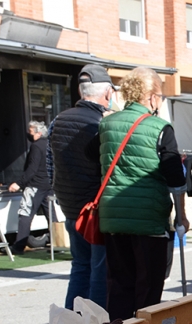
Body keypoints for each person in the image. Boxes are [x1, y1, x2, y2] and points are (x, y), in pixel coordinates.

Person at [98, 67, 189, 321]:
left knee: (118, 285)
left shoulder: (106, 124)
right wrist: (181, 217)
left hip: (114, 218)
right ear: (151, 97)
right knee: (148, 288)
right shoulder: (160, 128)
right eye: (159, 96)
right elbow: (176, 179)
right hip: (149, 219)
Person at [48, 64, 116, 309]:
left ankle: (71, 323)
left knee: (79, 267)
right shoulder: (102, 123)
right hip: (94, 210)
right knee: (99, 269)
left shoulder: (58, 120)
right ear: (107, 93)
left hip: (70, 206)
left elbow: (50, 163)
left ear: (80, 91)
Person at [9, 121, 52, 254]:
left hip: (35, 185)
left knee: (25, 214)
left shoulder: (36, 147)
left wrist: (19, 183)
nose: (28, 134)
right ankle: (57, 242)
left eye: (30, 132)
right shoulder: (49, 145)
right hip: (48, 185)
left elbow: (32, 169)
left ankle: (19, 246)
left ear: (38, 133)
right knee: (51, 215)